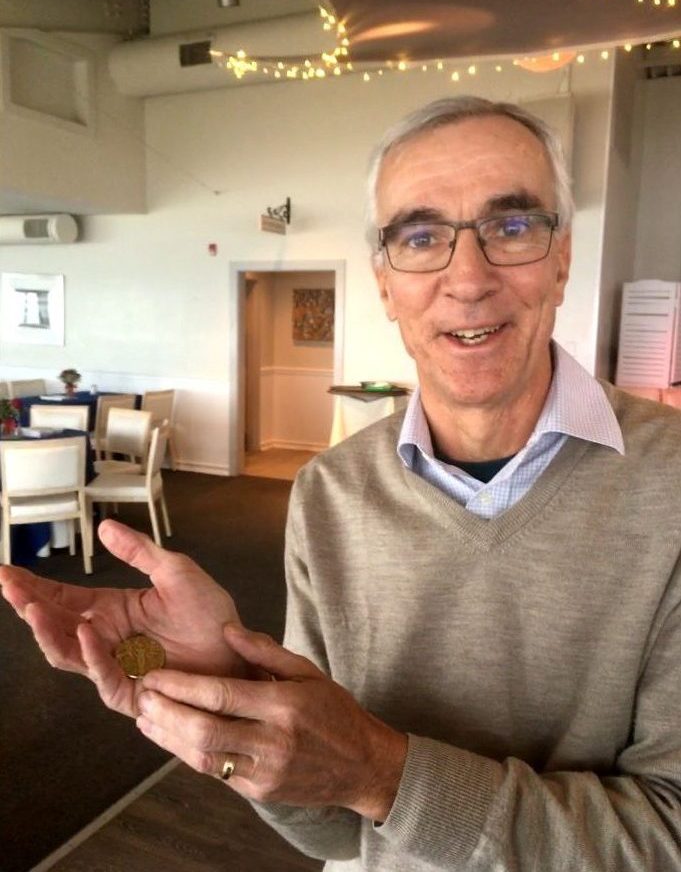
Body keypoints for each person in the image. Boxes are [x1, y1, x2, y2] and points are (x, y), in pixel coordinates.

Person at [2, 95, 681, 872]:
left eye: (512, 227)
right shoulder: (330, 493)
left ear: (560, 259)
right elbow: (336, 830)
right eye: (421, 237)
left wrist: (384, 773)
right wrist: (230, 686)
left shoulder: (670, 488)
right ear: (386, 283)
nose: (467, 278)